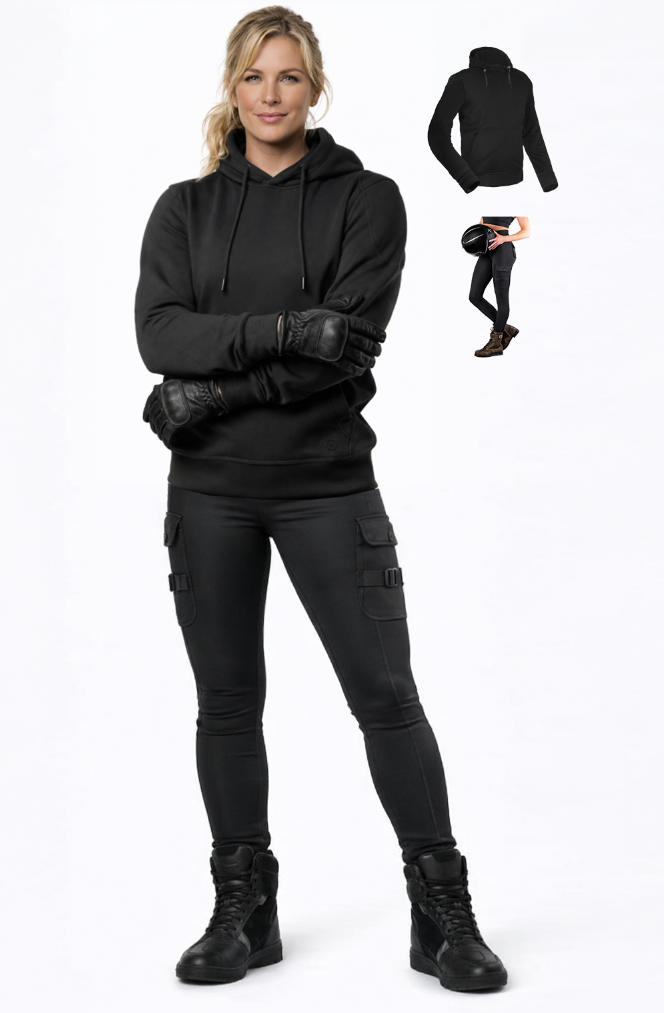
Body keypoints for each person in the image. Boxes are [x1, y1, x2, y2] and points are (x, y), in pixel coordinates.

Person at [135, 5, 508, 993]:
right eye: (255, 77)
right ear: (233, 87)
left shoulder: (367, 200)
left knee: (385, 697)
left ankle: (442, 913)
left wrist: (209, 393)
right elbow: (160, 335)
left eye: (289, 77)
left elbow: (343, 353)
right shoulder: (182, 210)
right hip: (209, 492)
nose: (271, 95)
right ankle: (244, 909)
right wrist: (282, 328)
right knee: (226, 703)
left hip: (327, 486)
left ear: (316, 88)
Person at [469, 217, 531, 358]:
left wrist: (504, 239)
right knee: (474, 296)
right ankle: (506, 328)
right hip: (486, 248)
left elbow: (526, 231)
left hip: (502, 250)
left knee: (502, 300)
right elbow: (482, 223)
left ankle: (496, 343)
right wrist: (472, 240)